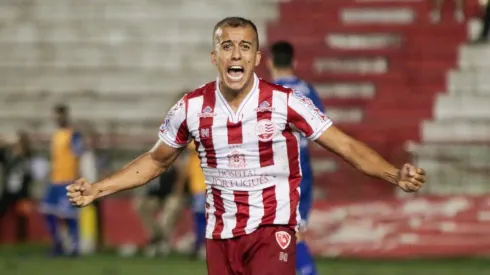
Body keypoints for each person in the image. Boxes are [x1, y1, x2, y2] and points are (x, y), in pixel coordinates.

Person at [66, 17, 426, 275]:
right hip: (219, 236)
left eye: (245, 47)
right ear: (215, 57)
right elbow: (156, 161)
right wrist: (99, 188)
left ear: (257, 58)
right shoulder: (191, 108)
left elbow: (345, 146)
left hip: (272, 229)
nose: (236, 55)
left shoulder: (287, 102)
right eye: (227, 47)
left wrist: (394, 174)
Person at [267, 41, 323, 275]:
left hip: (276, 167)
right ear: (294, 62)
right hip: (303, 166)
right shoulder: (307, 90)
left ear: (270, 63)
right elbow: (321, 127)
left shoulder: (266, 93)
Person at [40, 104, 84, 256]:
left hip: (68, 180)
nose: (57, 118)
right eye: (56, 115)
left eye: (60, 115)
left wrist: (78, 181)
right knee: (46, 211)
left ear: (66, 115)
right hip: (54, 181)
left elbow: (77, 156)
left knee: (69, 216)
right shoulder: (56, 134)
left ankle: (74, 248)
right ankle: (57, 244)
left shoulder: (73, 134)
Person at [135, 147, 187, 257]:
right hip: (155, 196)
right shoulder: (151, 161)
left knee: (172, 207)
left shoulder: (175, 160)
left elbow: (181, 177)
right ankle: (156, 236)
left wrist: (179, 191)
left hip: (170, 195)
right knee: (140, 205)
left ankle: (162, 240)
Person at [0, 131, 34, 243]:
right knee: (2, 211)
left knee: (22, 217)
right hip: (9, 190)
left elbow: (29, 174)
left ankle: (22, 238)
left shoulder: (26, 158)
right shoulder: (10, 157)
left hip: (22, 192)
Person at [185, 142, 207, 260]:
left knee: (201, 218)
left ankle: (201, 245)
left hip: (202, 189)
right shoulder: (192, 160)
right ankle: (199, 244)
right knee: (199, 218)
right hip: (197, 189)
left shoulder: (199, 155)